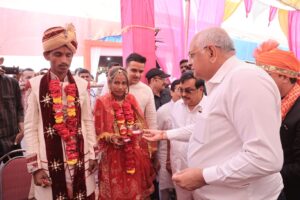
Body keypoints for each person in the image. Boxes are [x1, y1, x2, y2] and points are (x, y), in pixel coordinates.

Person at [143, 27, 284, 200]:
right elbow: (206, 129)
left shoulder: (245, 79)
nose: (189, 62)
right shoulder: (222, 83)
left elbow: (264, 157)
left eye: (192, 55)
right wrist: (165, 134)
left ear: (211, 52)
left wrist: (204, 176)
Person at [24, 24, 98, 200]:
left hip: (80, 159)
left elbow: (87, 121)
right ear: (47, 55)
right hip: (48, 162)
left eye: (68, 55)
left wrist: (93, 154)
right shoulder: (34, 86)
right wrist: (35, 167)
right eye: (58, 54)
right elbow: (30, 128)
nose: (64, 60)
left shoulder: (81, 84)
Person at [94, 67, 155, 199]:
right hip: (113, 154)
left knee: (135, 189)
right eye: (116, 83)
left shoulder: (131, 99)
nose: (120, 87)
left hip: (133, 152)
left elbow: (140, 122)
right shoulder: (102, 101)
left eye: (123, 83)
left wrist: (135, 129)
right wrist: (111, 138)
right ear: (109, 83)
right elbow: (98, 131)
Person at [254, 40, 300, 200]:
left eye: (267, 75)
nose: (261, 81)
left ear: (285, 77)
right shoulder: (275, 102)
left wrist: (261, 172)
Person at [0, 57, 24, 163]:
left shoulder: (12, 82)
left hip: (12, 137)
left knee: (17, 175)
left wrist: (22, 130)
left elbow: (19, 108)